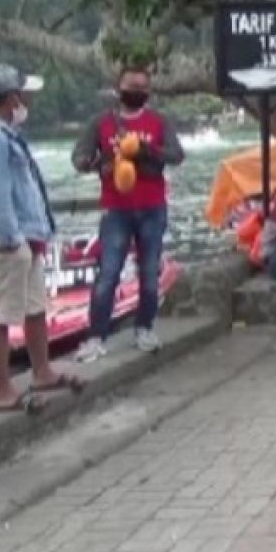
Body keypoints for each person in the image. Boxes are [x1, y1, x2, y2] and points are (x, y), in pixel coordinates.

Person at [0, 64, 85, 414]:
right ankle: (1, 388)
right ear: (11, 97)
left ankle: (42, 371)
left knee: (34, 308)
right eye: (22, 94)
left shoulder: (6, 133)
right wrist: (10, 237)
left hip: (27, 236)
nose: (26, 100)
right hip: (7, 240)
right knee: (0, 314)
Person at [72, 64, 185, 363]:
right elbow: (79, 157)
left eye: (140, 88)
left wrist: (148, 150)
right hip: (116, 209)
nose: (135, 92)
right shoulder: (101, 123)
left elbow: (177, 155)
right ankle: (96, 337)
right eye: (130, 86)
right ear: (118, 88)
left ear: (148, 92)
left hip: (152, 207)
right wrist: (98, 163)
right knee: (108, 273)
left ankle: (144, 328)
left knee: (149, 272)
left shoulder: (159, 122)